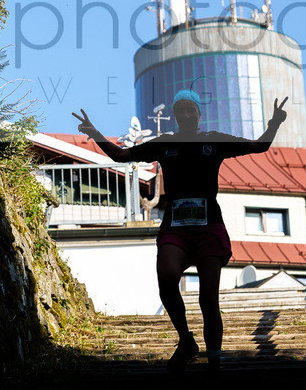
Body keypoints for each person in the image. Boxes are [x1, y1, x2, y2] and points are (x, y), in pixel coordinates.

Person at [72, 90, 289, 374]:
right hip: (175, 227)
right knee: (167, 277)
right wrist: (95, 132)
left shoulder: (214, 140)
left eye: (191, 110)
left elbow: (259, 146)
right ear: (175, 116)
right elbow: (121, 154)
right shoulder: (165, 143)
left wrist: (274, 123)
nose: (186, 115)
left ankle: (214, 365)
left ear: (199, 114)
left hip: (209, 226)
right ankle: (186, 340)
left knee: (208, 297)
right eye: (180, 111)